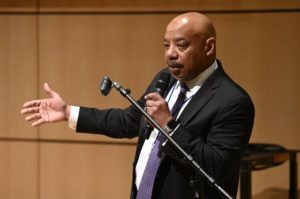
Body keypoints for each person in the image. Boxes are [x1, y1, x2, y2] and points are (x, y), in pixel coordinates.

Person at [21, 12, 255, 199]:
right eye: (166, 45)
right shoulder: (166, 79)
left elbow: (216, 167)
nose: (170, 54)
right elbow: (130, 121)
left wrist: (169, 126)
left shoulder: (233, 102)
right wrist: (68, 112)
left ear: (208, 47)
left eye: (181, 45)